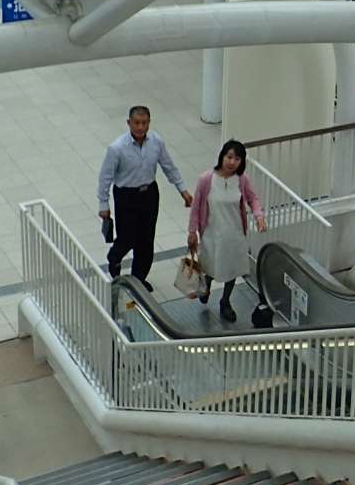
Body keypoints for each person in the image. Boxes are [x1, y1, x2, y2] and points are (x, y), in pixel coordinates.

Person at [96, 106, 192, 290]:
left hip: (149, 194)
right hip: (126, 196)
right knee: (127, 238)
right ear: (129, 123)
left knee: (146, 240)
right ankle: (114, 258)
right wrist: (103, 204)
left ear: (149, 123)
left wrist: (183, 190)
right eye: (136, 123)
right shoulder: (117, 148)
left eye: (144, 123)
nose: (140, 127)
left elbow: (169, 166)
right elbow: (105, 178)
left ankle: (138, 279)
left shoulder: (156, 142)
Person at [187, 139, 268, 323]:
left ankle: (225, 301)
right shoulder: (206, 180)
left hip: (234, 234)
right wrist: (192, 232)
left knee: (231, 269)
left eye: (237, 159)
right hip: (212, 234)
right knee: (210, 265)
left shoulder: (242, 180)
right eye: (229, 157)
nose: (232, 162)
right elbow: (196, 208)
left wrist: (259, 215)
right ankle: (206, 286)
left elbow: (253, 199)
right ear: (222, 156)